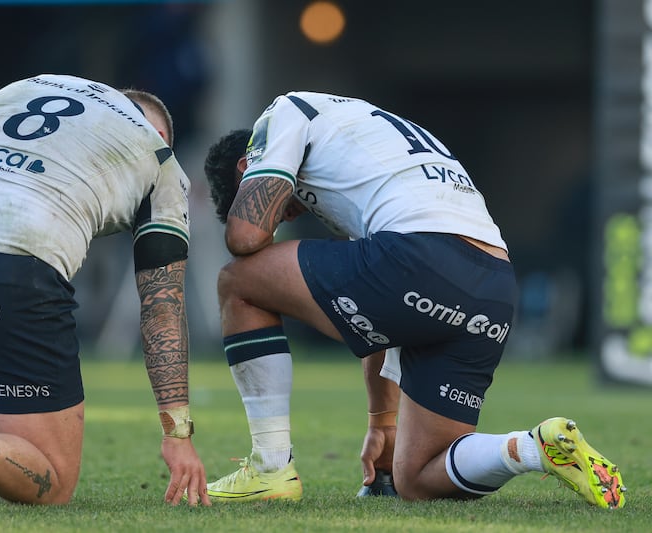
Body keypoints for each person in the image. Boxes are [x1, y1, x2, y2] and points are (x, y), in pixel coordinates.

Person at [199, 91, 627, 509]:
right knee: (418, 477)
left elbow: (246, 236)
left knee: (239, 280)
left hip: (419, 259)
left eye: (282, 210)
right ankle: (534, 446)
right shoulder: (362, 139)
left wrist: (256, 212)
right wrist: (382, 423)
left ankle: (269, 467)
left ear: (247, 166)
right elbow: (382, 316)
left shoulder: (286, 112)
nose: (288, 217)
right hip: (493, 288)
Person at [0, 74, 211, 510]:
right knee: (51, 481)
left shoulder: (19, 89)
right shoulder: (160, 157)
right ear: (160, 134)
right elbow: (161, 309)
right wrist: (177, 434)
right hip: (6, 284)